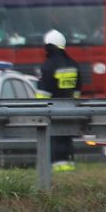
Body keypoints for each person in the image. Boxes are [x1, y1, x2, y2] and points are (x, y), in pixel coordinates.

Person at [36, 28, 80, 171]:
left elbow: (43, 92)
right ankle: (68, 166)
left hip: (53, 111)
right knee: (67, 138)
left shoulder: (48, 66)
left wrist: (39, 108)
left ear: (49, 46)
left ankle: (57, 167)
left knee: (54, 139)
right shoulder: (73, 64)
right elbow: (78, 90)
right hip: (71, 110)